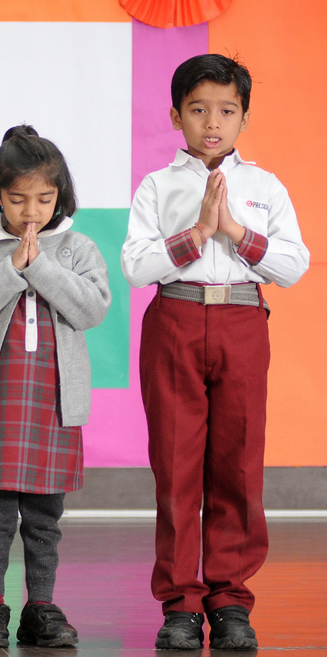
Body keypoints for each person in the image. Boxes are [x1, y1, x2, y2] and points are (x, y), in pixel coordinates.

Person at [121, 54, 308, 650]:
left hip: (244, 320)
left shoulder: (266, 186)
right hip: (175, 316)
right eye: (198, 109)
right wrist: (196, 234)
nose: (212, 122)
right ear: (176, 115)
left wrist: (234, 231)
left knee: (237, 462)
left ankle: (229, 600)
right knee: (175, 467)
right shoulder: (158, 185)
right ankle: (180, 602)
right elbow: (135, 266)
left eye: (227, 111)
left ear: (244, 119)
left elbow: (294, 265)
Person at [0, 126, 110, 649]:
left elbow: (92, 308)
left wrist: (41, 265)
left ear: (62, 197)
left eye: (44, 198)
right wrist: (12, 267)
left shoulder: (77, 247)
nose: (30, 211)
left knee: (44, 515)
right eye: (17, 199)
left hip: (52, 401)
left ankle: (42, 605)